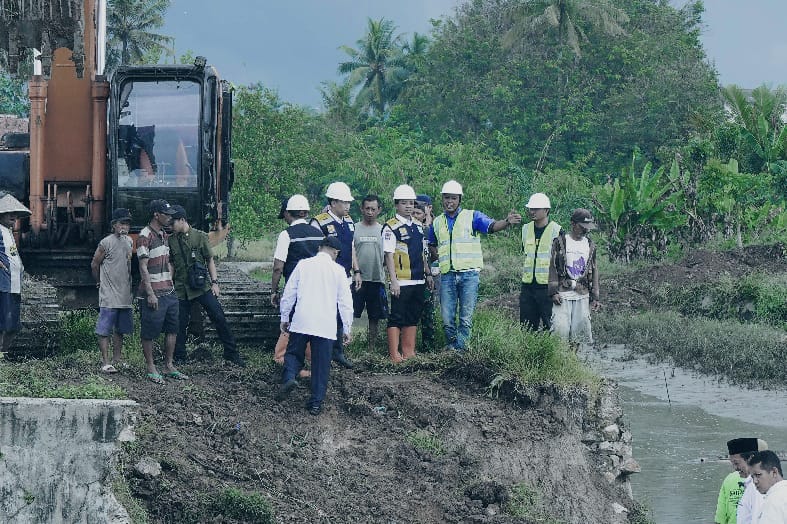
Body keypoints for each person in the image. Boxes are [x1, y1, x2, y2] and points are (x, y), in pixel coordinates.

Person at [428, 180, 522, 352]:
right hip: (447, 274)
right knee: (447, 317)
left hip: (468, 275)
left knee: (465, 317)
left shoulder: (472, 216)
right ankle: (452, 346)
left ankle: (461, 350)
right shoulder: (437, 222)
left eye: (453, 198)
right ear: (442, 199)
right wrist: (439, 258)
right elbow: (432, 243)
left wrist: (507, 222)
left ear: (459, 200)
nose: (450, 202)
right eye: (447, 198)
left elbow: (491, 226)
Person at [275, 236, 353, 416]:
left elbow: (289, 293)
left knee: (293, 353)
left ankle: (288, 378)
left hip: (302, 320)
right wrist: (347, 328)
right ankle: (315, 403)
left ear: (319, 248)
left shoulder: (303, 265)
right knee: (321, 364)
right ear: (335, 252)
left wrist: (285, 317)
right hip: (325, 325)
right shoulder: (339, 270)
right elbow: (345, 302)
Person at [168, 205, 245, 367]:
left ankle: (231, 353)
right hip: (182, 288)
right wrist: (169, 284)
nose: (170, 226)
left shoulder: (200, 237)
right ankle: (180, 356)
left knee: (219, 317)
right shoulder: (172, 240)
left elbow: (210, 260)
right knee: (180, 324)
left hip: (202, 286)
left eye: (173, 223)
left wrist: (215, 283)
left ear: (182, 220)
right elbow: (172, 264)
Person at [136, 199, 186, 383]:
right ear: (156, 215)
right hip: (154, 291)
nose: (169, 217)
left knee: (173, 328)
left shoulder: (165, 235)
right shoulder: (144, 235)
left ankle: (168, 365)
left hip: (168, 290)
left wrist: (169, 281)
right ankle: (151, 367)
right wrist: (149, 292)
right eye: (166, 214)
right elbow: (143, 266)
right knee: (149, 330)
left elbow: (167, 262)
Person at [271, 195, 322, 375]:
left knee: (291, 321)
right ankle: (313, 362)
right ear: (306, 212)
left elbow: (278, 267)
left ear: (287, 213)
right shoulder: (319, 234)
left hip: (295, 287)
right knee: (311, 321)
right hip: (317, 287)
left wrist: (274, 291)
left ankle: (286, 360)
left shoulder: (286, 235)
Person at [310, 181, 358, 368]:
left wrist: (357, 270)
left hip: (344, 274)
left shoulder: (349, 222)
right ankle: (322, 352)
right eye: (344, 202)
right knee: (325, 313)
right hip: (325, 277)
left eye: (348, 203)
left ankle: (338, 351)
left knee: (341, 313)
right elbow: (314, 250)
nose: (347, 206)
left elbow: (351, 247)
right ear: (333, 202)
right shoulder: (319, 222)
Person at [383, 185, 433, 362]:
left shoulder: (419, 226)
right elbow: (388, 255)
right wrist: (393, 281)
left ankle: (408, 351)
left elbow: (423, 253)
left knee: (413, 315)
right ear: (396, 205)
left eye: (411, 203)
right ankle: (394, 354)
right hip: (401, 281)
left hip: (418, 279)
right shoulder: (390, 227)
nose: (408, 206)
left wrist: (428, 274)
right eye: (404, 203)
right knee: (397, 316)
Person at [548, 208, 600, 349]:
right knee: (560, 329)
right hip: (563, 292)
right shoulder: (560, 242)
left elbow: (594, 270)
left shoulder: (590, 245)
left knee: (579, 331)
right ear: (573, 223)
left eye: (587, 228)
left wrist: (595, 296)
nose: (585, 231)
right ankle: (559, 362)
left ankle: (573, 360)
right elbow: (552, 267)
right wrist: (553, 291)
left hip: (582, 293)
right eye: (582, 227)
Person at [90, 208, 134, 373]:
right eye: (122, 223)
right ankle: (105, 362)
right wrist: (99, 282)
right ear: (114, 225)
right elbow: (94, 264)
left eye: (127, 223)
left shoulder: (129, 241)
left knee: (120, 330)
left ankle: (117, 359)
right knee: (104, 329)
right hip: (108, 292)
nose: (125, 226)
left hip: (124, 293)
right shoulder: (106, 242)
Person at [520, 193, 562, 331]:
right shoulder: (525, 229)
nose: (532, 212)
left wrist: (556, 289)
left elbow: (561, 263)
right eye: (531, 209)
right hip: (528, 286)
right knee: (526, 327)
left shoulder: (557, 230)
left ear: (546, 210)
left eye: (536, 209)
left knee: (550, 326)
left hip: (547, 288)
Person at [352, 195, 388, 352]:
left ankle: (371, 347)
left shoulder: (383, 230)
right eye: (367, 208)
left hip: (376, 278)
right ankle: (348, 343)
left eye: (373, 209)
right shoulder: (354, 228)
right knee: (351, 312)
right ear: (362, 209)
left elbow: (388, 255)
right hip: (357, 279)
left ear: (379, 210)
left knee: (374, 316)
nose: (370, 212)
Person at [0, 193, 31, 357]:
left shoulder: (9, 232)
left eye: (15, 214)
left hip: (14, 284)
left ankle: (3, 353)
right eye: (9, 213)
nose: (14, 216)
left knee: (12, 325)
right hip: (2, 284)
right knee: (2, 322)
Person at [716, 438, 769, 524]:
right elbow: (720, 518)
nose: (735, 468)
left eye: (737, 463)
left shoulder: (768, 485)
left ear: (751, 458)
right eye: (733, 463)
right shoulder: (729, 480)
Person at [414, 194, 437, 351]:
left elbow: (435, 254)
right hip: (411, 275)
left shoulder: (431, 229)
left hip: (429, 275)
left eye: (418, 213)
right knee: (412, 312)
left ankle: (428, 348)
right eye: (413, 213)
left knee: (428, 312)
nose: (415, 216)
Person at [748, 450, 787, 523]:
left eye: (758, 475)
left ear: (774, 472)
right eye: (752, 477)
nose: (755, 481)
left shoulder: (774, 501)